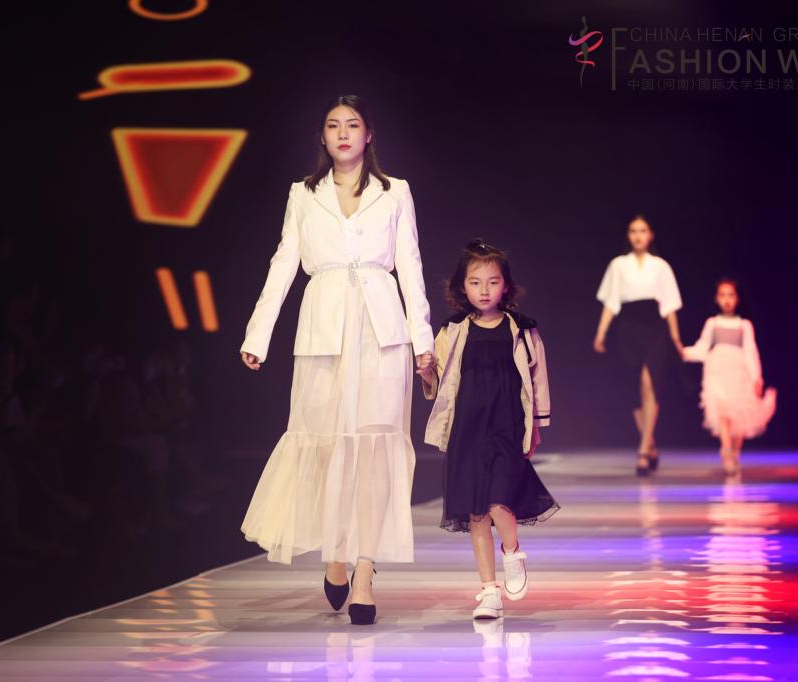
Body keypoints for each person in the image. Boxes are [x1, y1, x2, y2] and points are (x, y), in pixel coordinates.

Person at [238, 95, 434, 625]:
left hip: (381, 329)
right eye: (333, 125)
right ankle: (334, 552)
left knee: (375, 445)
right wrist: (259, 333)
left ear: (369, 134)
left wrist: (423, 341)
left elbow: (411, 266)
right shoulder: (303, 194)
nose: (343, 133)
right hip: (323, 327)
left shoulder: (395, 192)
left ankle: (365, 570)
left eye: (352, 124)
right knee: (325, 442)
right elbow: (283, 263)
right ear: (323, 137)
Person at [420, 239, 558, 620]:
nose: (484, 290)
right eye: (475, 282)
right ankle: (489, 591)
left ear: (506, 286)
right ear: (462, 286)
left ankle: (512, 553)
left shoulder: (523, 330)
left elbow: (538, 379)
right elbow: (439, 382)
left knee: (499, 503)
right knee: (477, 514)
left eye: (493, 282)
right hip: (467, 432)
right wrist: (426, 372)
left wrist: (537, 426)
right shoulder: (452, 331)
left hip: (507, 429)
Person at [593, 215, 683, 476]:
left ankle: (643, 449)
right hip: (628, 328)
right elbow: (611, 302)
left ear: (651, 234)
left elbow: (669, 305)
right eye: (633, 231)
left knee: (649, 382)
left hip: (654, 328)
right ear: (628, 235)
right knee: (634, 390)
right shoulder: (618, 265)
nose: (638, 236)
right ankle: (650, 442)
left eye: (642, 230)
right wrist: (600, 333)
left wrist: (676, 339)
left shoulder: (661, 266)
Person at [682, 279, 777, 476]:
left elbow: (751, 352)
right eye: (723, 295)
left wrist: (756, 377)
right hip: (717, 372)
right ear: (717, 298)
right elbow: (702, 348)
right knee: (722, 412)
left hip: (738, 373)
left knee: (738, 416)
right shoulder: (712, 323)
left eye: (731, 295)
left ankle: (734, 453)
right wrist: (683, 352)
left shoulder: (744, 325)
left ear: (737, 298)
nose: (727, 300)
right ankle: (726, 451)